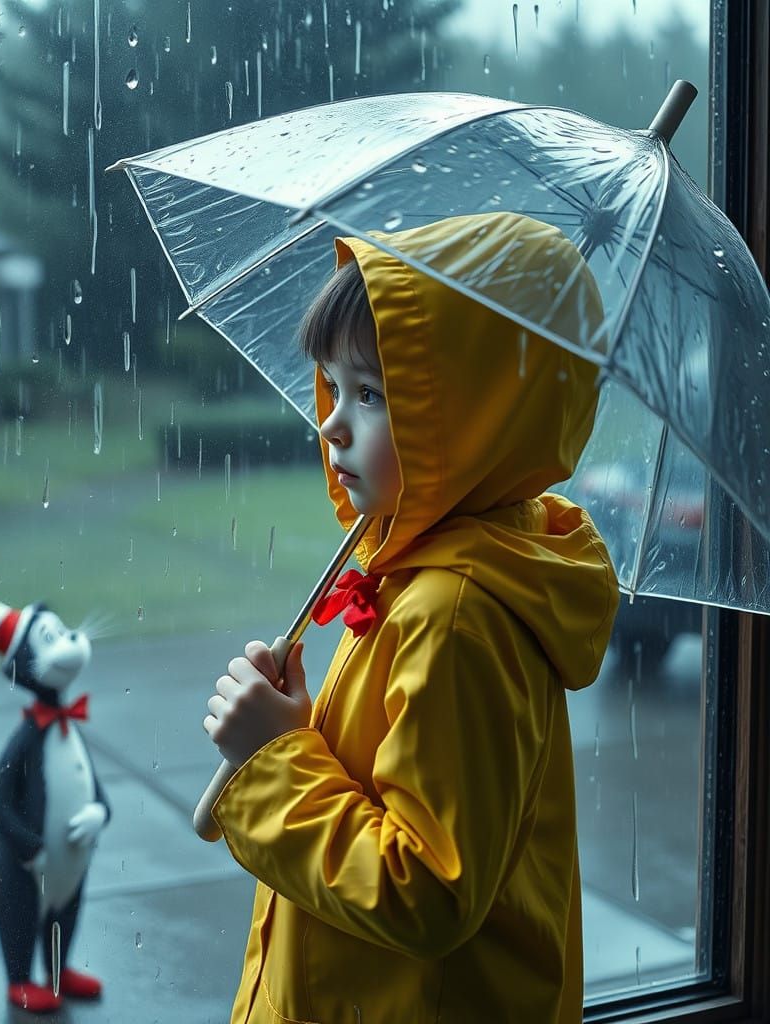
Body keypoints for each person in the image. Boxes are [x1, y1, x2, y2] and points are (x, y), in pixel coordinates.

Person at [202, 211, 620, 1024]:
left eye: (370, 394)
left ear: (469, 422)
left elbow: (425, 889)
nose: (331, 422)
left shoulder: (457, 612)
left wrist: (275, 760)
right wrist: (300, 728)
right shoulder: (428, 570)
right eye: (334, 384)